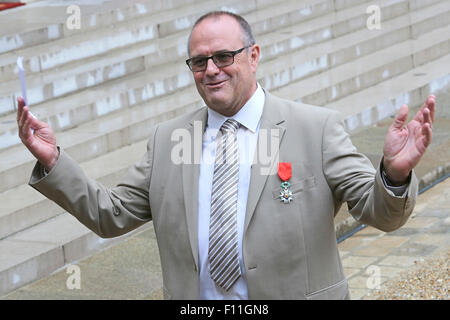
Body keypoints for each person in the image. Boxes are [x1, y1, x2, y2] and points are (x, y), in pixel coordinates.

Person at [16, 11, 435, 299]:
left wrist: (394, 176)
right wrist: (54, 161)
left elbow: (380, 213)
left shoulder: (316, 128)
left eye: (223, 56)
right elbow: (110, 215)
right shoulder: (168, 139)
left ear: (253, 55)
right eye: (199, 61)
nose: (211, 69)